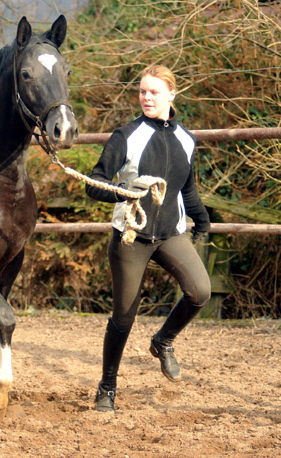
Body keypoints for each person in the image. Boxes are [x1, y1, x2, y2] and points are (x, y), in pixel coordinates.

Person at [85, 64, 211, 412]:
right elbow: (93, 182)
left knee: (200, 291)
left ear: (172, 94)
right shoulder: (126, 136)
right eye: (142, 91)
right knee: (124, 317)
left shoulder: (186, 139)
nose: (146, 97)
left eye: (154, 91)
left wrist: (201, 218)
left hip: (170, 233)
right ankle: (107, 387)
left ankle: (163, 341)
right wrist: (124, 193)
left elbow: (187, 187)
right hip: (131, 236)